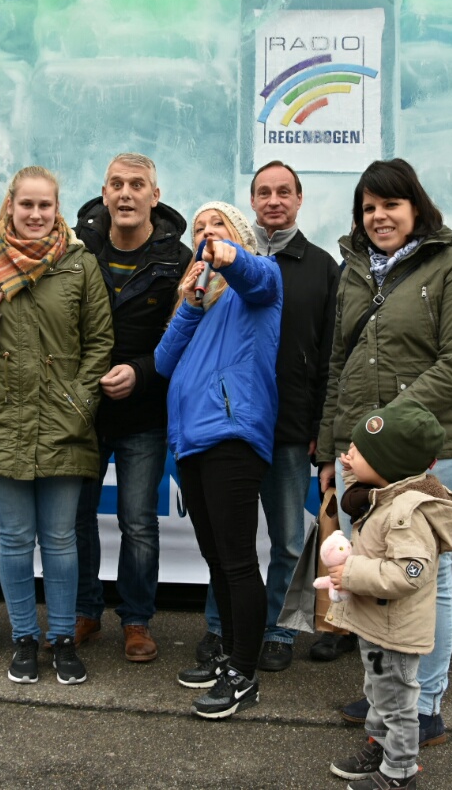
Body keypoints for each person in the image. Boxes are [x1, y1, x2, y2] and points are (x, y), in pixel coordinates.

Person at [316, 159, 452, 745]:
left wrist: (383, 428)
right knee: (370, 572)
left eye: (390, 204)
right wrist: (332, 449)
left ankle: (424, 707)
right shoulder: (354, 272)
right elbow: (338, 367)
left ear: (416, 206)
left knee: (427, 578)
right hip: (358, 455)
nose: (379, 216)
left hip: (433, 451)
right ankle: (387, 698)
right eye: (368, 207)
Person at [0, 166, 114, 686]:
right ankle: (23, 639)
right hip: (1, 421)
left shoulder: (79, 263)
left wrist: (79, 404)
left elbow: (100, 342)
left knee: (60, 539)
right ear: (10, 205)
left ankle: (62, 640)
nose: (36, 214)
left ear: (57, 209)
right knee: (14, 540)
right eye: (27, 205)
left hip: (64, 422)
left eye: (45, 205)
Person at [197, 160, 341, 672]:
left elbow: (329, 356)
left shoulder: (323, 267)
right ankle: (222, 628)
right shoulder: (221, 259)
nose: (274, 201)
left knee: (286, 539)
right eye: (264, 192)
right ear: (252, 201)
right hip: (230, 426)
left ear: (299, 199)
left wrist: (319, 429)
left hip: (287, 429)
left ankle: (279, 630)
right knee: (225, 541)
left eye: (284, 192)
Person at [155, 201, 282, 719]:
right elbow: (163, 361)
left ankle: (244, 675)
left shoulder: (259, 279)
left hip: (232, 435)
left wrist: (231, 257)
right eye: (199, 228)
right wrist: (188, 304)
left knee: (237, 561)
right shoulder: (200, 297)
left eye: (218, 225)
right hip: (191, 440)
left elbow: (259, 276)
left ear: (239, 236)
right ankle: (230, 655)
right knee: (217, 561)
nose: (205, 233)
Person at [72, 153, 192, 663]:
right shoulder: (74, 248)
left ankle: (137, 621)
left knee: (139, 522)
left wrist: (141, 373)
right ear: (104, 194)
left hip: (144, 411)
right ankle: (83, 611)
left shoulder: (179, 259)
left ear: (154, 196)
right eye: (117, 184)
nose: (126, 193)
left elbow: (182, 335)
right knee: (76, 518)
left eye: (137, 185)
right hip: (83, 409)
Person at [326, 401, 452, 790]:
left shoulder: (407, 511)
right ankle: (380, 746)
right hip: (377, 625)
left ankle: (400, 770)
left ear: (387, 463)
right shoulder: (384, 493)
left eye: (359, 451)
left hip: (396, 631)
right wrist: (353, 468)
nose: (348, 455)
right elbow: (365, 484)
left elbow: (410, 573)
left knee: (397, 702)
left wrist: (351, 572)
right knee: (378, 693)